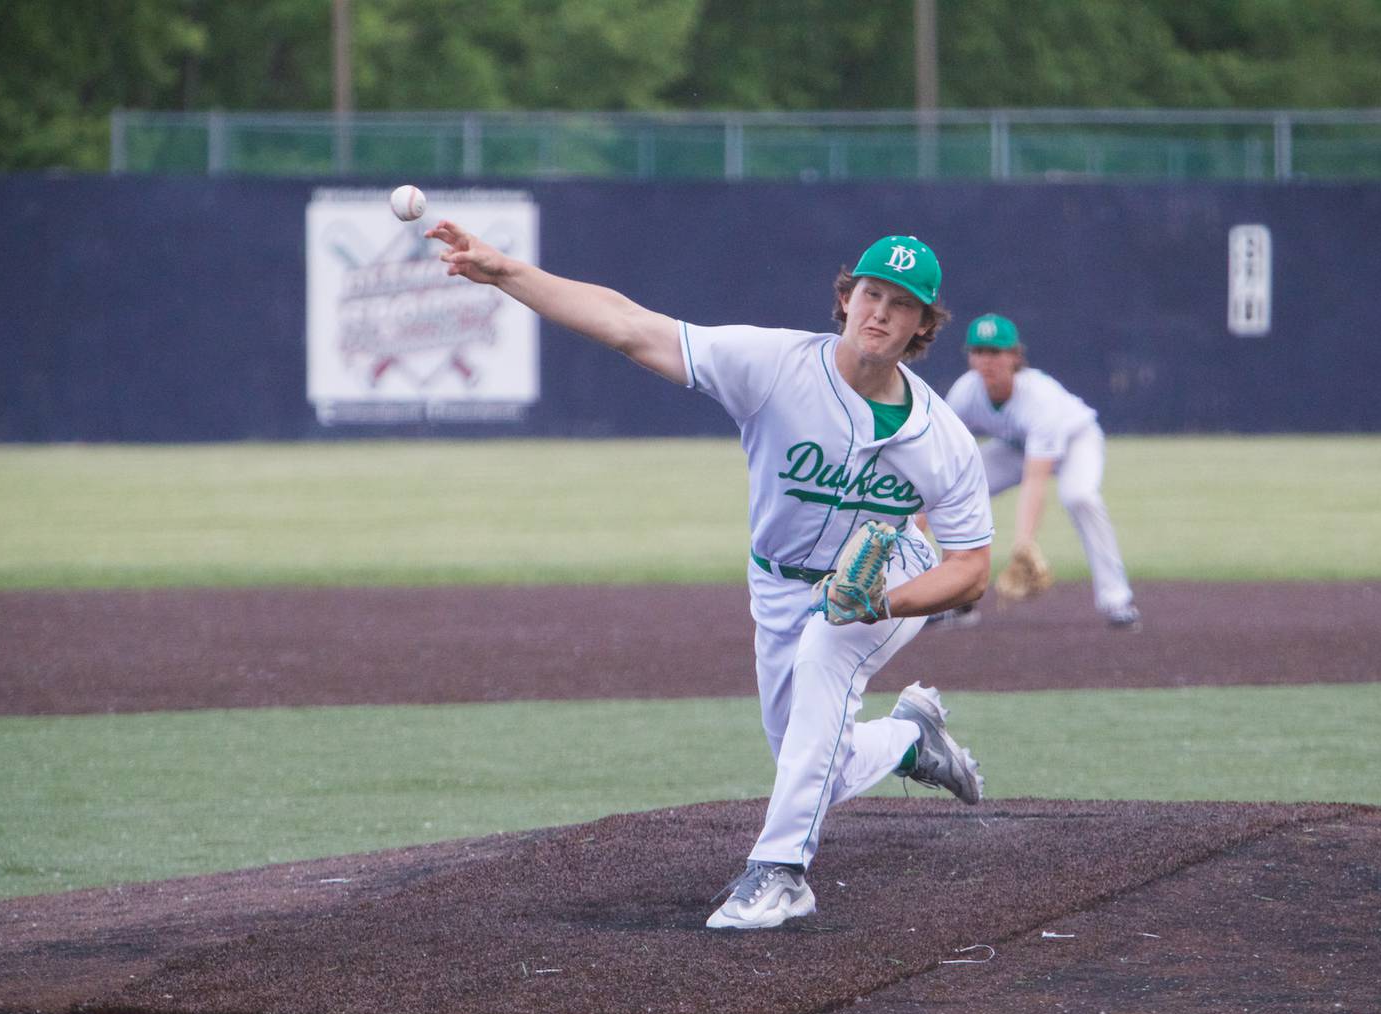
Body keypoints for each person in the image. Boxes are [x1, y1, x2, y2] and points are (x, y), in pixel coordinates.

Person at [426, 221, 994, 930]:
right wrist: (507, 270)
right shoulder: (774, 365)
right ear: (845, 299)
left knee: (826, 653)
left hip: (888, 571)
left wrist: (887, 598)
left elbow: (970, 567)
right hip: (779, 584)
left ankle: (781, 872)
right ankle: (911, 738)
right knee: (812, 760)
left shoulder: (941, 438)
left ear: (921, 326)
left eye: (901, 304)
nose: (881, 311)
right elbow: (631, 327)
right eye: (871, 293)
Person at [940, 312, 1140, 630]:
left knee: (1079, 496)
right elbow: (939, 463)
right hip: (1015, 447)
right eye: (978, 352)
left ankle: (1117, 601)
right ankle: (955, 599)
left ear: (1015, 356)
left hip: (1077, 442)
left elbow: (1036, 480)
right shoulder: (966, 392)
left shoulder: (1038, 398)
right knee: (956, 486)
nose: (985, 360)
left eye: (995, 352)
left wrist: (1024, 544)